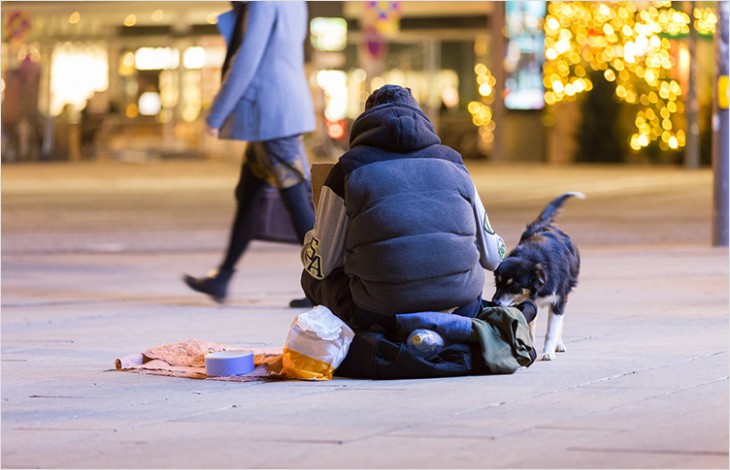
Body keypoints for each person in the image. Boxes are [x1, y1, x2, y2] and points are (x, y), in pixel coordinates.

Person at [300, 84, 519, 334]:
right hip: (461, 309)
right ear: (420, 116)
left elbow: (321, 265)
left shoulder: (348, 168)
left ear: (365, 120)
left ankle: (359, 344)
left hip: (382, 315)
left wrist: (311, 239)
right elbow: (493, 257)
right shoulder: (454, 162)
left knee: (312, 279)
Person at [183, 2, 316, 305]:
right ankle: (223, 276)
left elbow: (246, 59)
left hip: (271, 115)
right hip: (273, 113)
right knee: (249, 195)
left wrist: (216, 113)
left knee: (296, 200)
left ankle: (327, 285)